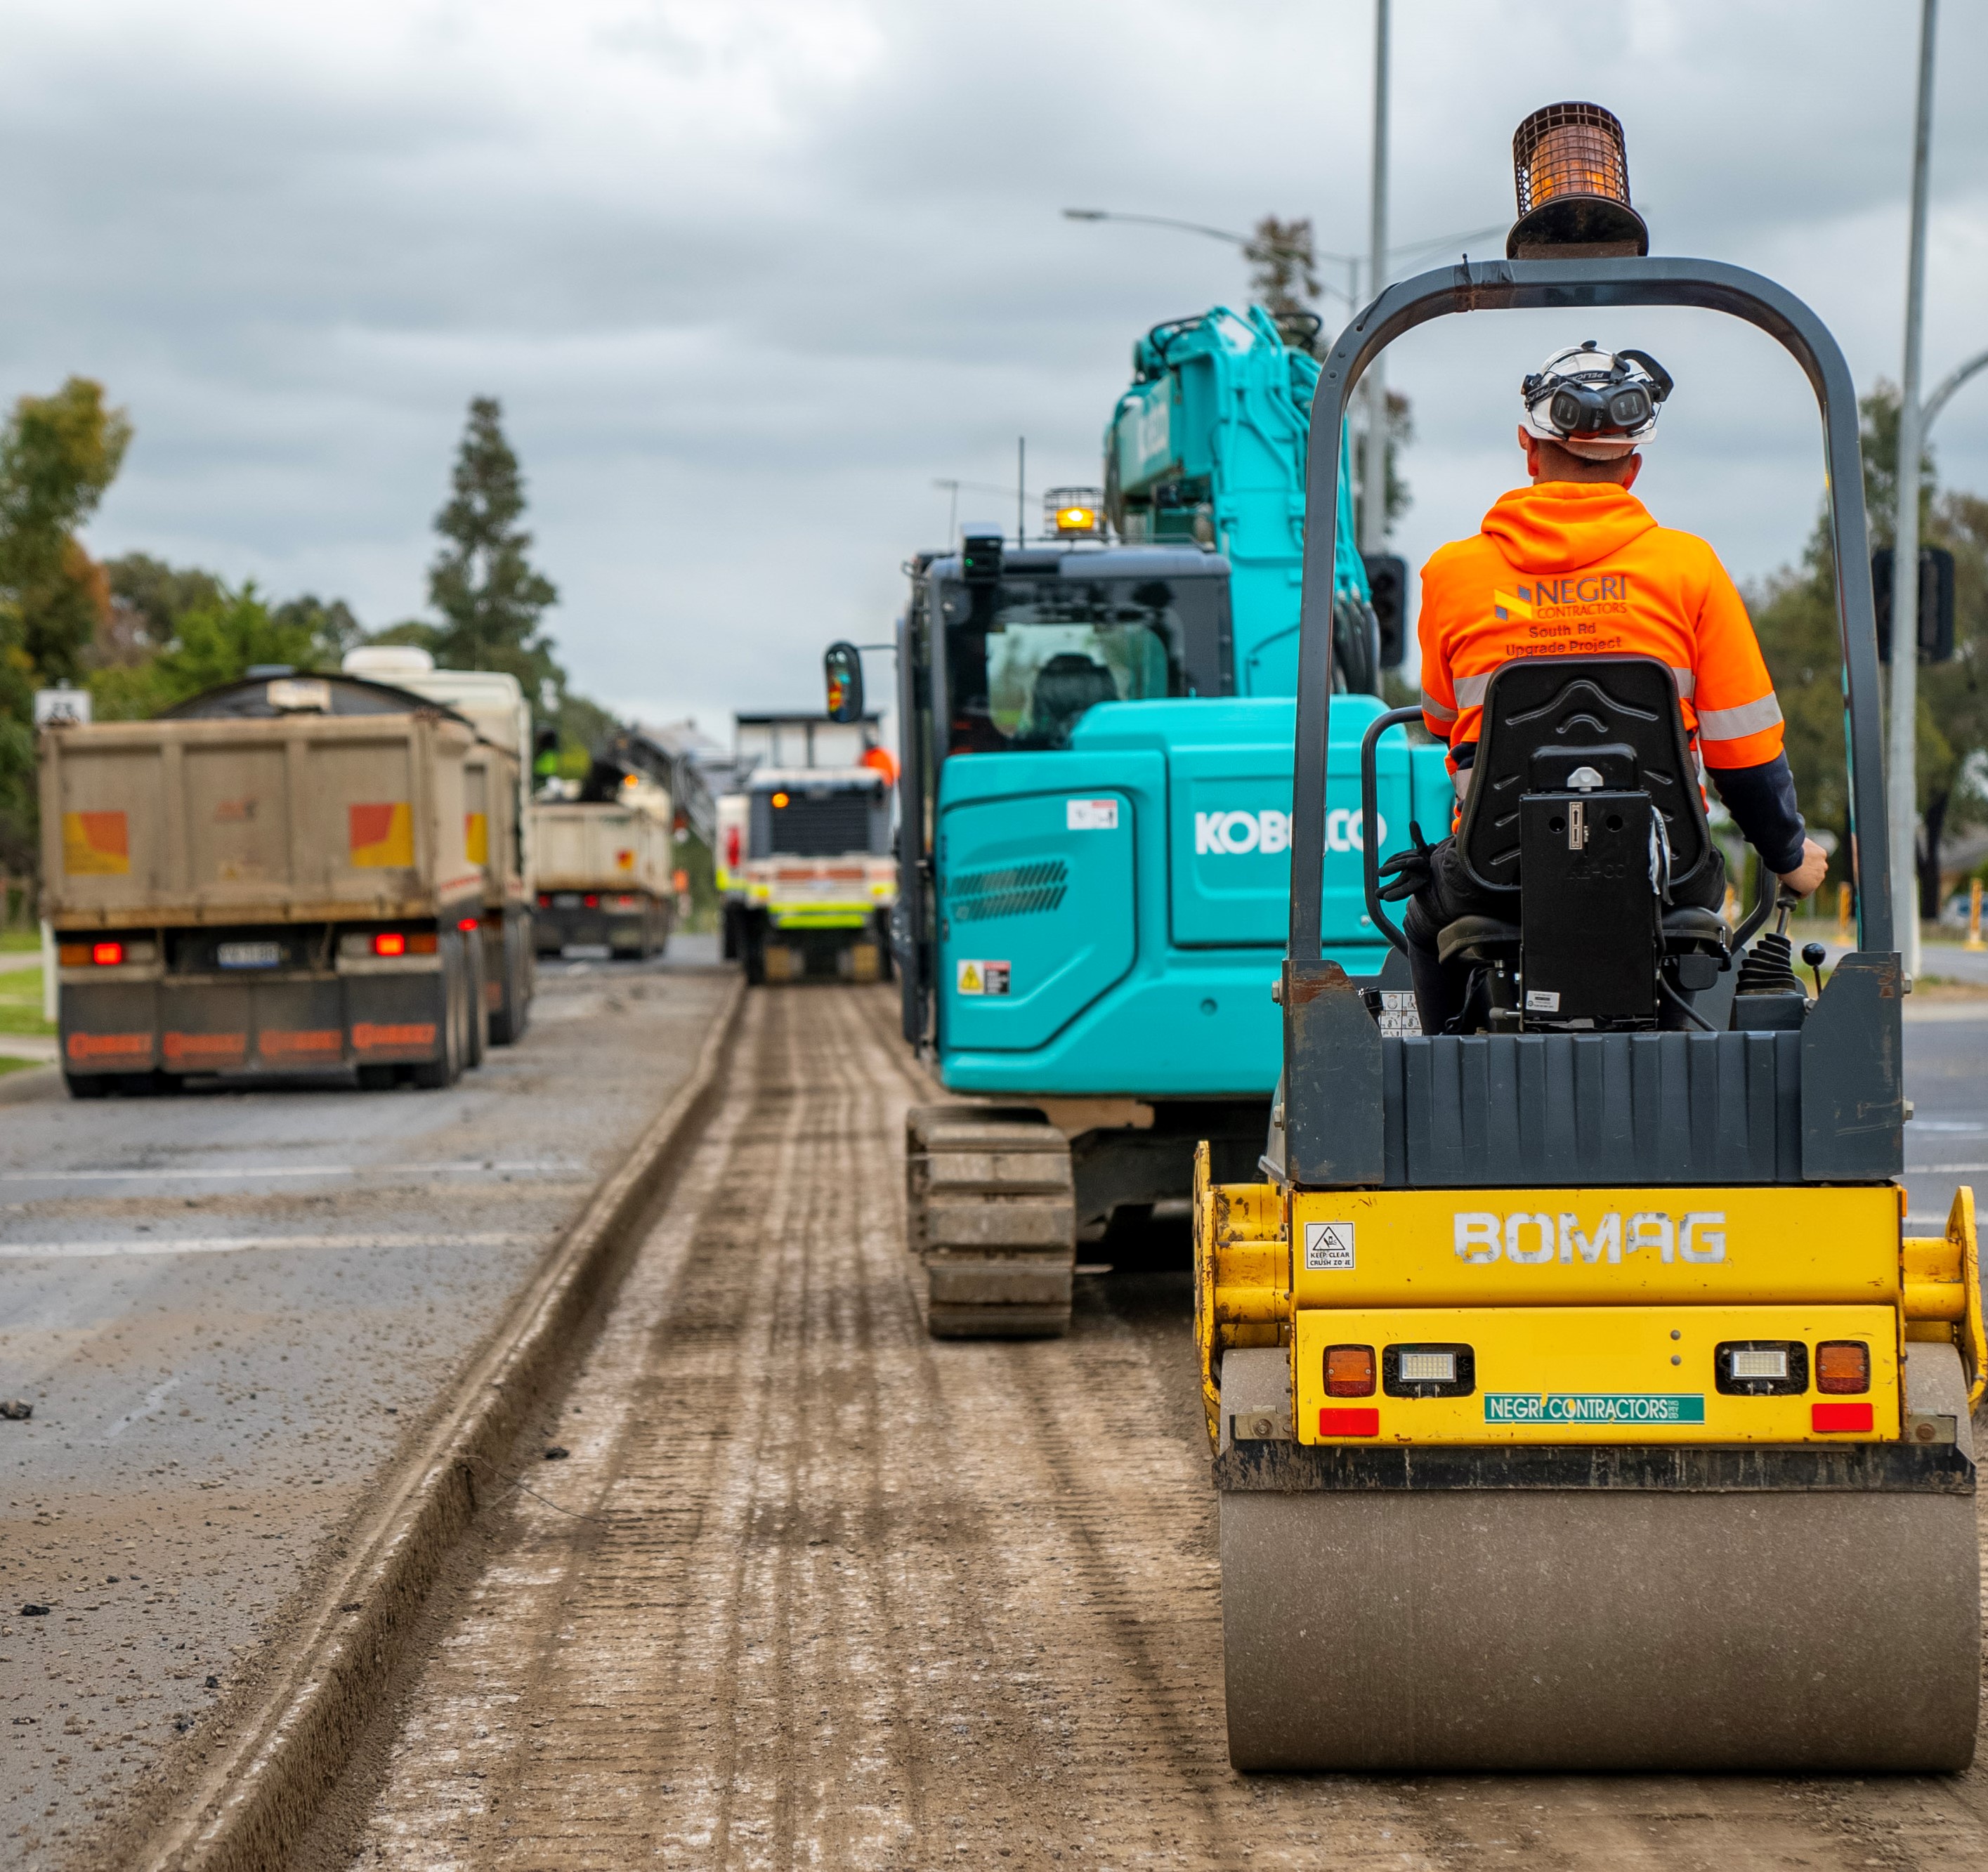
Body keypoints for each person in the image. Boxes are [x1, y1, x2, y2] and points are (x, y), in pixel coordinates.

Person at [1379, 340, 1829, 1033]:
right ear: (1634, 465)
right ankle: (1677, 1069)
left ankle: (1444, 1065)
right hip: (1668, 871)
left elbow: (1445, 725)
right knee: (1699, 924)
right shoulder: (1690, 570)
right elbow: (1743, 753)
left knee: (1421, 918)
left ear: (1529, 450)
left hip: (1496, 875)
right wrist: (1790, 857)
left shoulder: (1452, 575)